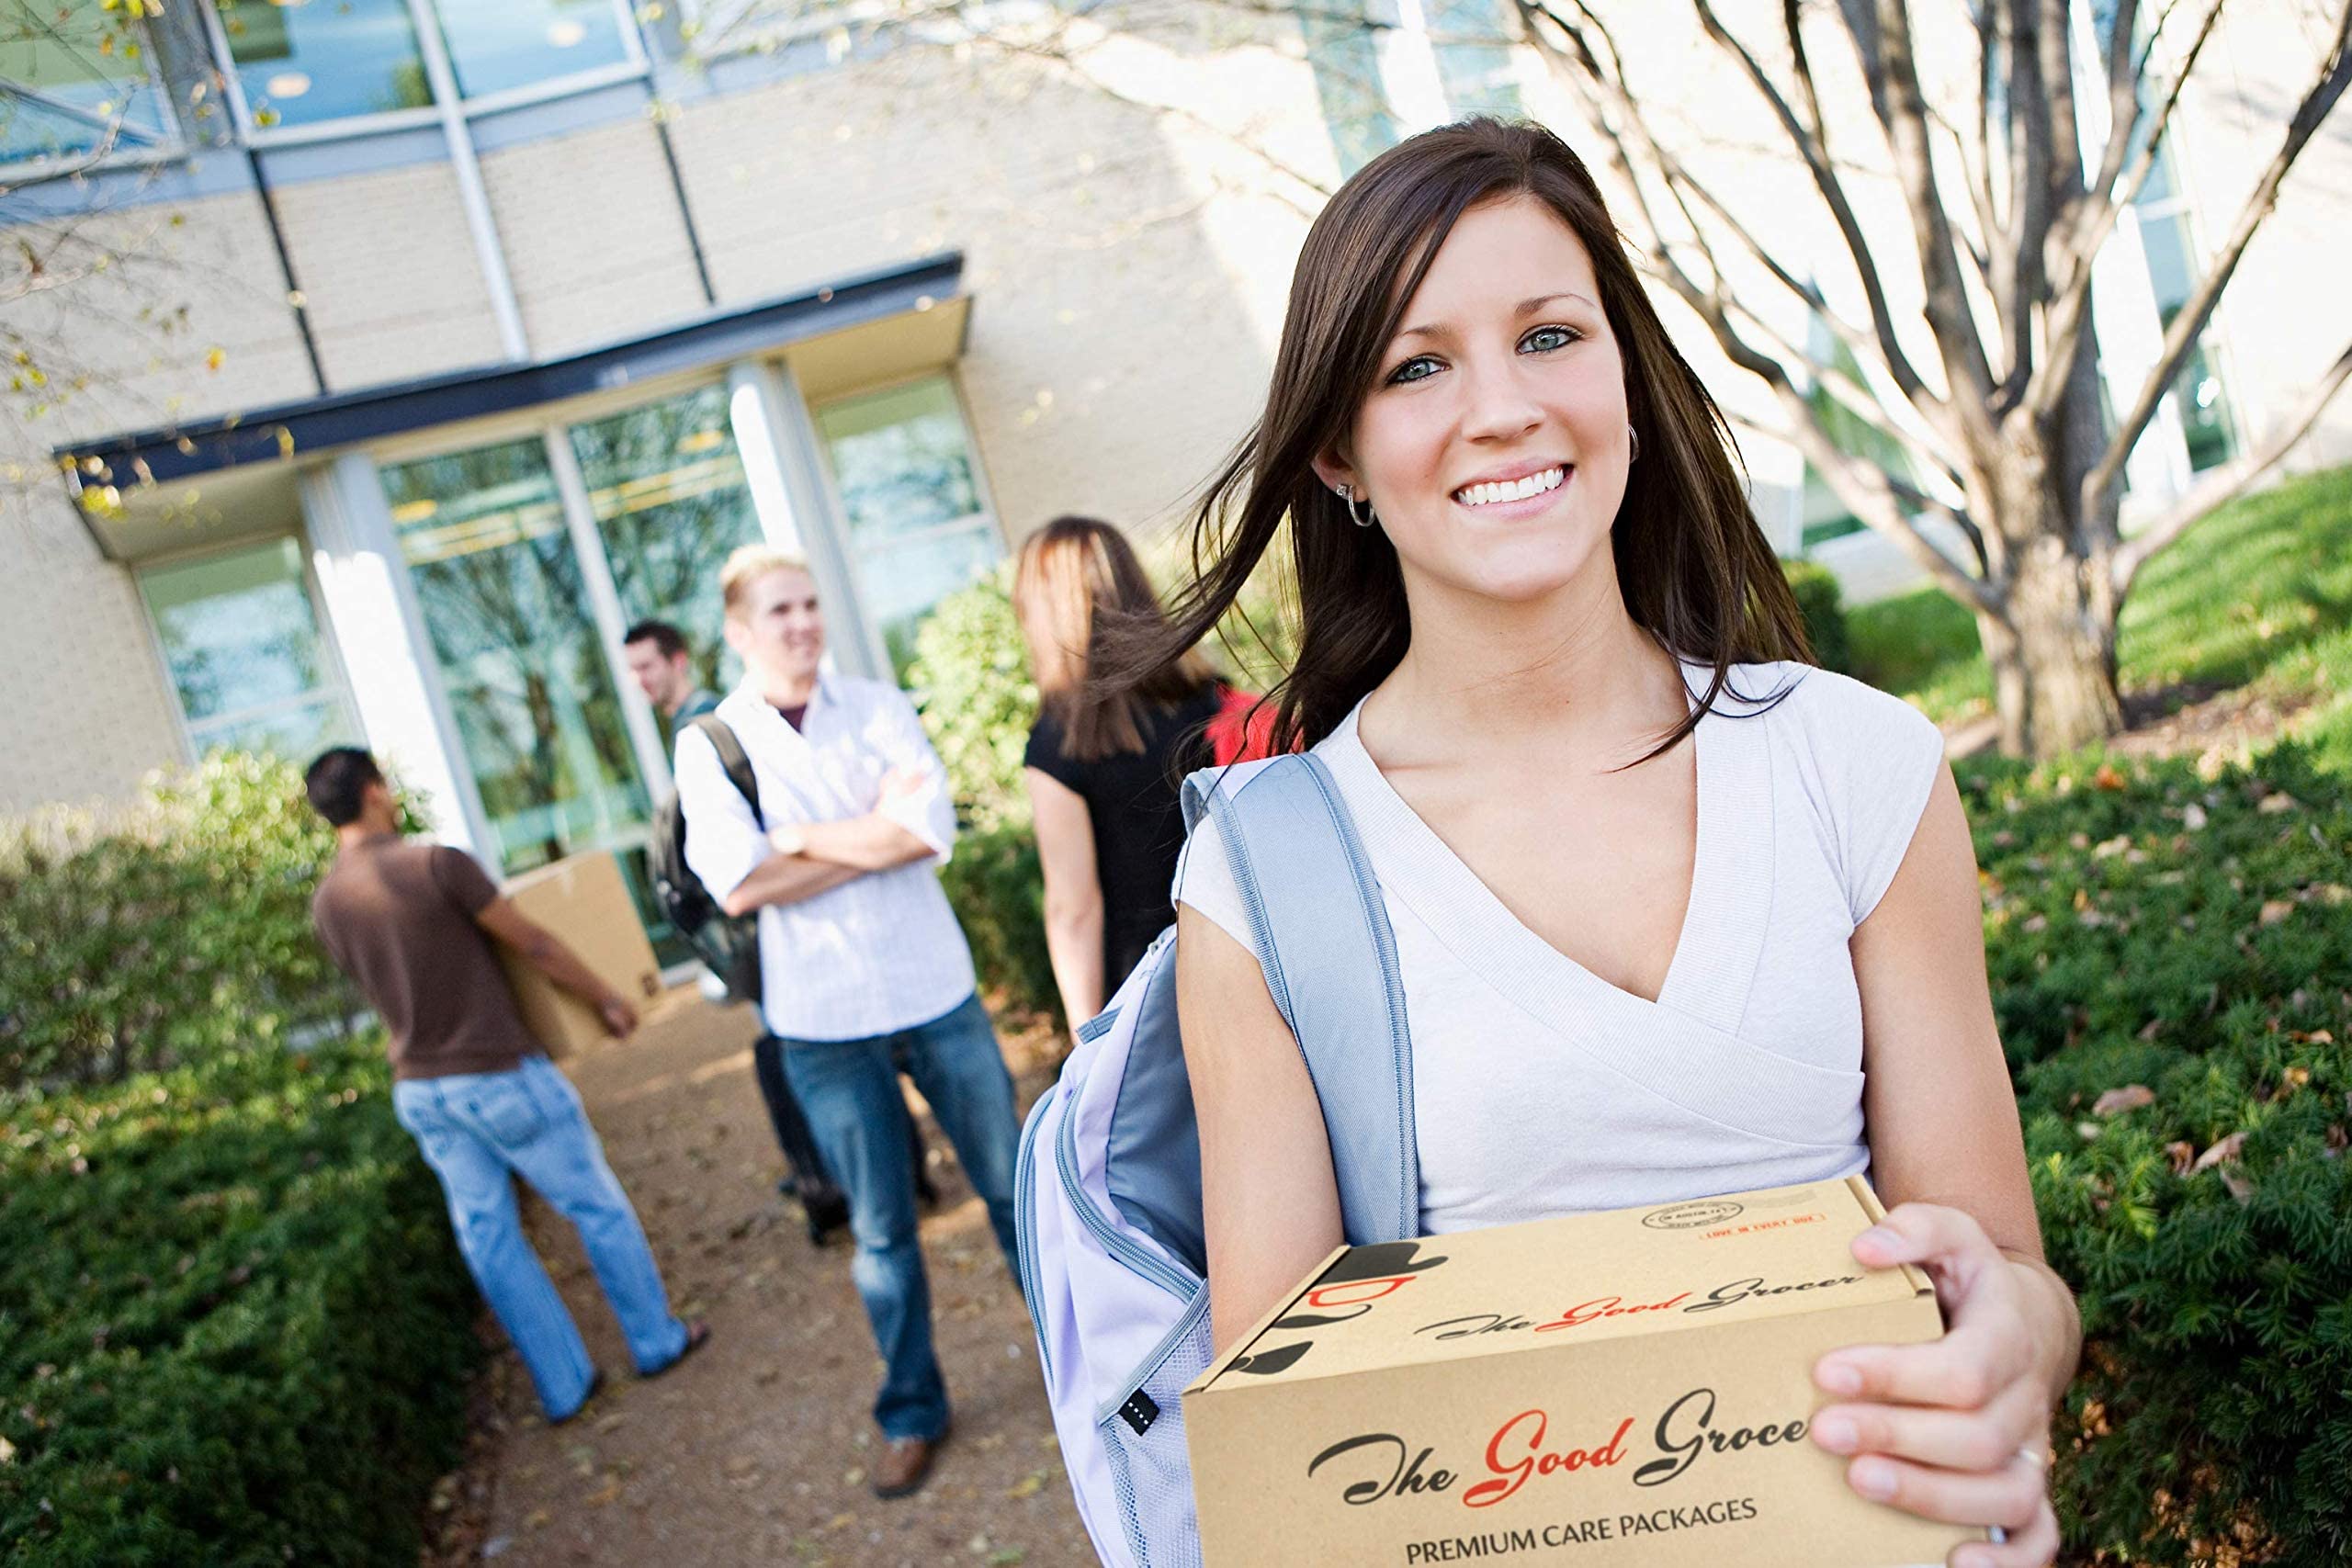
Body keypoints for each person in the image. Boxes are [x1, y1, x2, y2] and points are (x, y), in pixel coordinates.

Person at [1110, 119, 2080, 1566]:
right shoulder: (1262, 872)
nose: (1501, 407)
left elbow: (2003, 1265)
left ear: (1624, 379)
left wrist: (2016, 1334)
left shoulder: (1853, 762)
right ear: (1339, 450)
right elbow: (1290, 1445)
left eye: (1550, 335)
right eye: (1417, 364)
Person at [672, 545, 1022, 1501]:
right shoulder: (712, 744)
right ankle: (912, 1412)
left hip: (932, 990)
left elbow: (924, 833)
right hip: (822, 1021)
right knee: (881, 1233)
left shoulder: (877, 706)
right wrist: (863, 842)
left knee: (1013, 1189)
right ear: (740, 632)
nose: (802, 624)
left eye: (811, 604)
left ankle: (1103, 1369)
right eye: (780, 611)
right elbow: (739, 886)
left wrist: (794, 840)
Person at [304, 748, 707, 1424]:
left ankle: (565, 1384)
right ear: (375, 791)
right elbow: (534, 944)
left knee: (489, 1239)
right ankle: (656, 1339)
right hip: (496, 1075)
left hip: (422, 1092)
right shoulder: (435, 864)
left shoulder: (327, 904)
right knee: (595, 1204)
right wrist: (606, 996)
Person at [1014, 515, 1231, 1025]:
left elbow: (1073, 909)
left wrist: (1085, 1038)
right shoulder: (1211, 698)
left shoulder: (1058, 742)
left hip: (1148, 990)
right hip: (1244, 952)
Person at [623, 619, 722, 728]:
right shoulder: (686, 718)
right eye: (633, 670)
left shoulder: (702, 714)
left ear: (678, 661)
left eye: (646, 667)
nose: (639, 679)